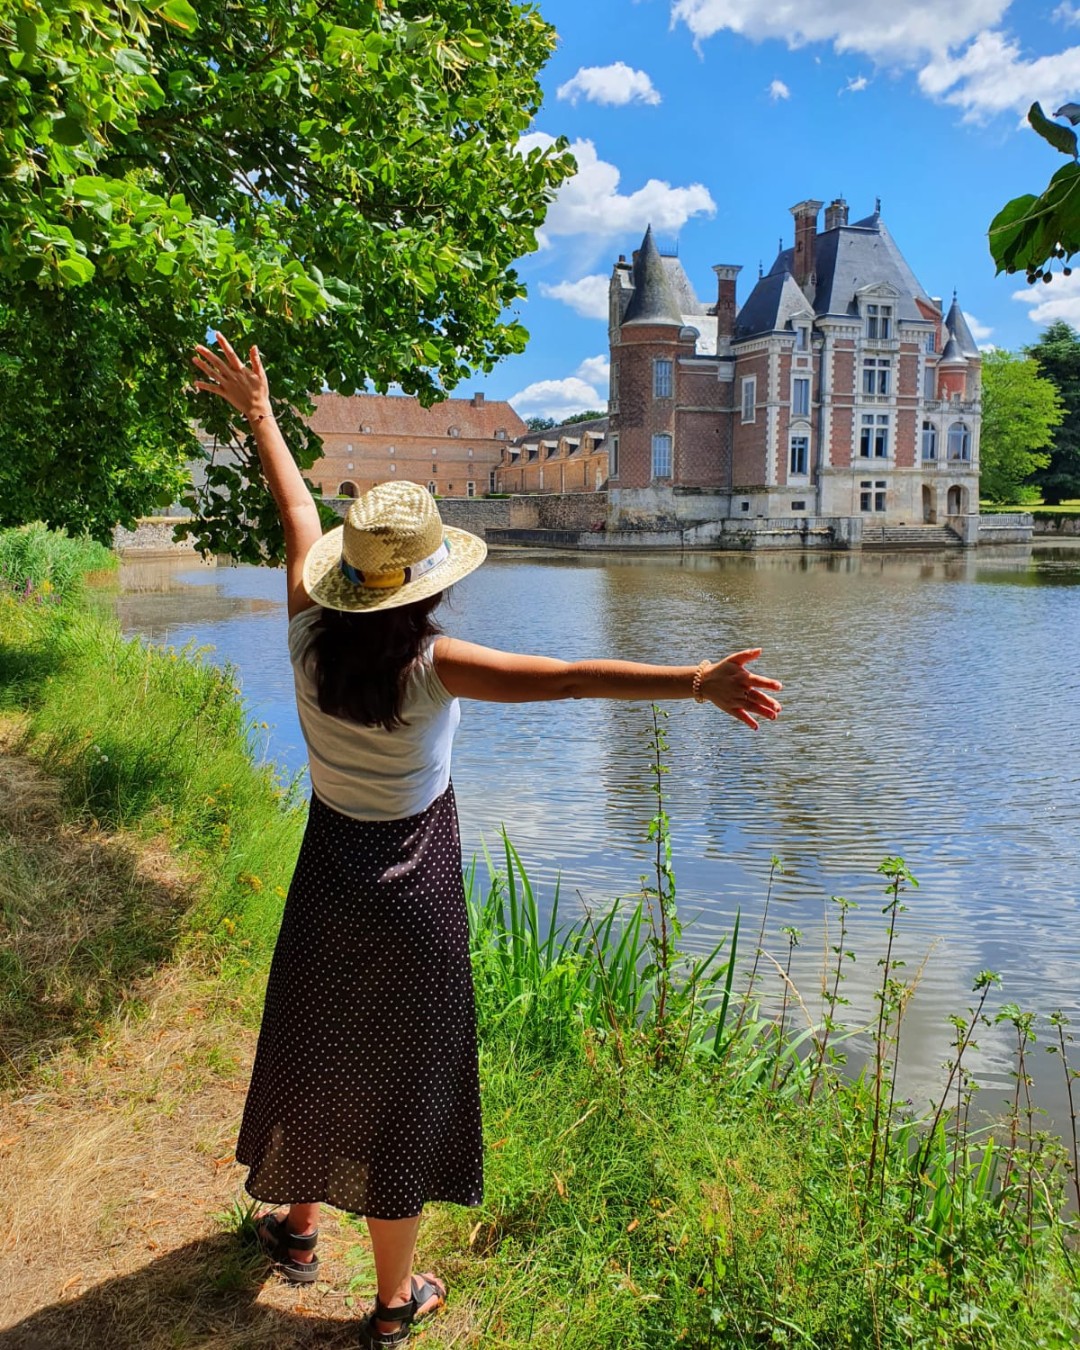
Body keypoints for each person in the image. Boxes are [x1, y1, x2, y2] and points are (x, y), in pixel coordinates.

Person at [192, 334, 782, 1347]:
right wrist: (691, 681)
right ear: (423, 581)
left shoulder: (300, 629)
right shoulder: (436, 662)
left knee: (316, 1036)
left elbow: (295, 511)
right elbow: (565, 677)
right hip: (415, 883)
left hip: (330, 868)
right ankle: (391, 1303)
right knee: (406, 1073)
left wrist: (259, 416)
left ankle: (296, 1228)